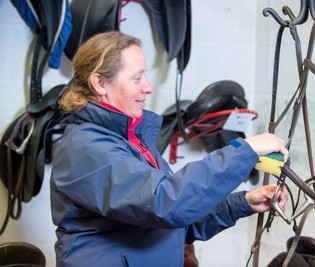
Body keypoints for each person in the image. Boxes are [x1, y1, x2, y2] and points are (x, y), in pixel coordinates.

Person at [50, 31, 289, 267]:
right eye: (137, 78)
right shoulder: (86, 147)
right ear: (100, 82)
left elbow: (174, 224)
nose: (148, 87)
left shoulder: (130, 140)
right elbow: (165, 204)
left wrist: (242, 203)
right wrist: (245, 149)